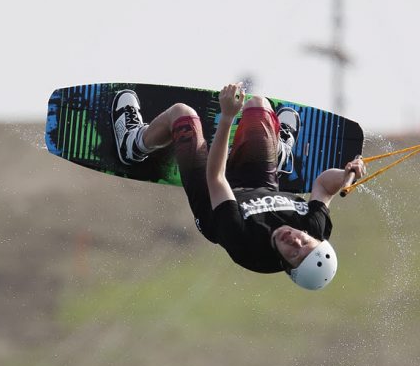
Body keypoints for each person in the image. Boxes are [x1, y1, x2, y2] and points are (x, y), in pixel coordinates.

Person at [111, 83, 366, 290]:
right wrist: (345, 175)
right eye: (306, 243)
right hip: (259, 182)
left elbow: (216, 178)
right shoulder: (314, 227)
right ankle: (280, 154)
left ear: (286, 265)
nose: (296, 241)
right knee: (258, 105)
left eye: (294, 253)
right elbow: (323, 185)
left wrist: (227, 118)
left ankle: (133, 144)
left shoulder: (246, 243)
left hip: (212, 196)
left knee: (183, 115)